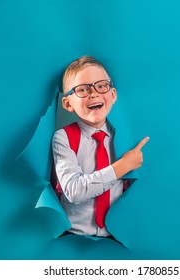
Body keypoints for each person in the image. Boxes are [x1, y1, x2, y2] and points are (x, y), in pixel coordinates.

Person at [53, 55, 149, 237]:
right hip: (74, 236)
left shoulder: (126, 138)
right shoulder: (63, 138)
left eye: (101, 86)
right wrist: (122, 167)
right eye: (82, 89)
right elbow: (74, 191)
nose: (94, 93)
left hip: (120, 235)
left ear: (113, 94)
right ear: (67, 103)